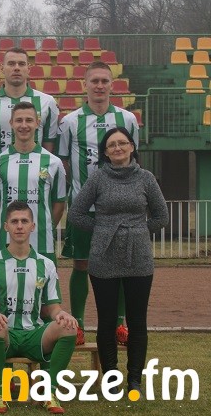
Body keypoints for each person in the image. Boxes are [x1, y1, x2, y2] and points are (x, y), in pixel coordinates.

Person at [67, 127, 168, 395]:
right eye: (111, 145)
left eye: (122, 143)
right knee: (107, 320)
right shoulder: (98, 178)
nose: (118, 148)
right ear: (105, 152)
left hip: (139, 256)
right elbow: (76, 213)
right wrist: (102, 229)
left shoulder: (146, 178)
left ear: (132, 147)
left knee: (137, 321)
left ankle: (135, 380)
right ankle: (111, 379)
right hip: (104, 256)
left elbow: (161, 216)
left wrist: (139, 230)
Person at [57, 61, 140, 345]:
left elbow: (133, 159)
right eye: (95, 81)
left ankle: (119, 324)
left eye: (105, 81)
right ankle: (78, 324)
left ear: (112, 85)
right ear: (85, 85)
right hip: (85, 208)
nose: (100, 86)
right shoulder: (70, 121)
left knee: (120, 265)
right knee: (81, 264)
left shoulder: (127, 119)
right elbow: (65, 163)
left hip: (118, 207)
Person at [0, 201, 78, 414]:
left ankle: (48, 392)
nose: (19, 226)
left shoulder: (46, 264)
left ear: (33, 226)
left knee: (69, 327)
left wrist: (62, 314)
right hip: (5, 334)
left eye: (24, 221)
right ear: (6, 226)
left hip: (34, 334)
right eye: (14, 221)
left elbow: (53, 308)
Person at [0, 47, 59, 257]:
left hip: (36, 182)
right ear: (1, 68)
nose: (16, 68)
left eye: (21, 64)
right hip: (0, 184)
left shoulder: (47, 102)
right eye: (11, 63)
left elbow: (49, 145)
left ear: (29, 68)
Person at [0, 102, 66, 264]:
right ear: (11, 123)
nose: (24, 125)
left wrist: (45, 228)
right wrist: (8, 228)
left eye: (29, 120)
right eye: (19, 120)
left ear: (37, 123)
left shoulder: (53, 162)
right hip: (6, 241)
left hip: (42, 242)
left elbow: (59, 203)